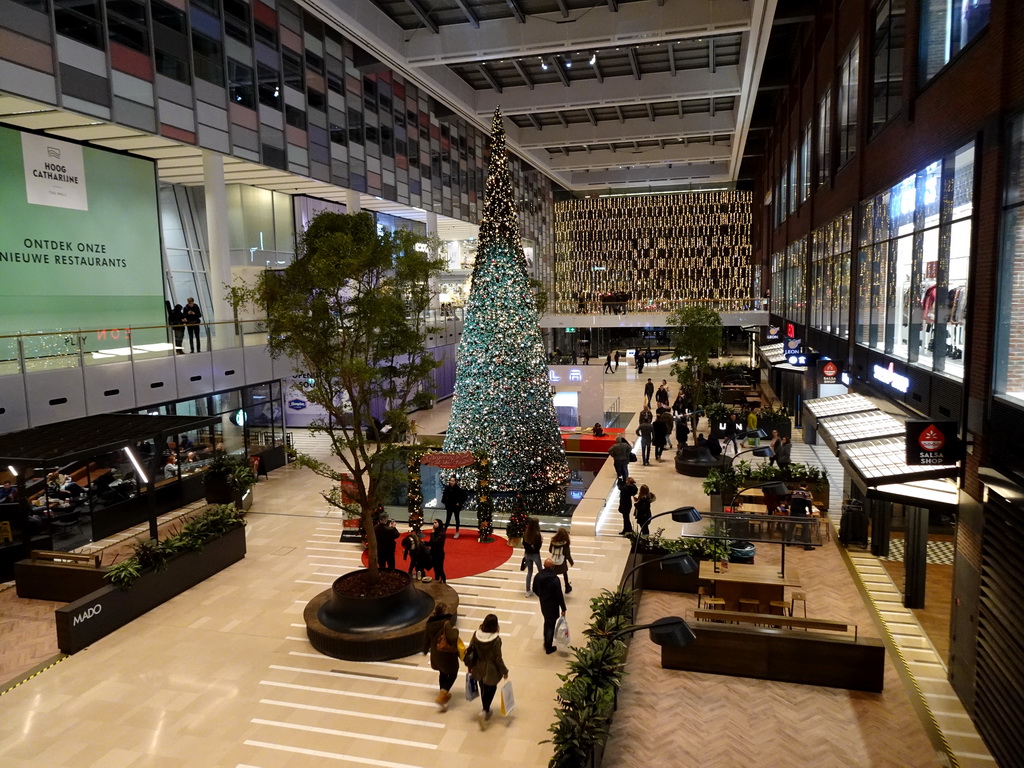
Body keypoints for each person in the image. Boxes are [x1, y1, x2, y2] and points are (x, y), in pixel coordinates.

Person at [466, 613, 508, 730]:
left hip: (478, 666)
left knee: (483, 687)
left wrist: (470, 665)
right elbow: (497, 658)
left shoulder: (476, 635)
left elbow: (470, 650)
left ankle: (486, 709)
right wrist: (504, 670)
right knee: (492, 688)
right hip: (491, 669)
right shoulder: (496, 640)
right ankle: (485, 710)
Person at [423, 602, 460, 712]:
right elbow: (453, 637)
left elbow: (426, 639)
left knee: (443, 673)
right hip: (447, 654)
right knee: (453, 673)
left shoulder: (429, 623)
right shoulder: (446, 623)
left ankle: (443, 694)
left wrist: (425, 650)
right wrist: (455, 630)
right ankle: (442, 695)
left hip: (436, 653)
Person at [533, 559, 567, 654]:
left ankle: (546, 642)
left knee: (546, 622)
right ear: (552, 567)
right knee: (551, 625)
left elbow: (534, 589)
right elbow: (559, 595)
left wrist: (541, 596)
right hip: (553, 605)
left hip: (544, 604)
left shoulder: (538, 576)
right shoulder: (555, 579)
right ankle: (549, 646)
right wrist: (563, 608)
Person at [787, 483, 814, 550]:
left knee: (791, 527)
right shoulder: (806, 493)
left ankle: (788, 542)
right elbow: (809, 503)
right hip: (801, 512)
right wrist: (810, 512)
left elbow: (789, 500)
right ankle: (807, 545)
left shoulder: (794, 492)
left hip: (793, 512)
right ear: (807, 486)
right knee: (805, 528)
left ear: (799, 486)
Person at [548, 528, 574, 592]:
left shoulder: (553, 541)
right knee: (565, 573)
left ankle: (553, 587)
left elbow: (550, 550)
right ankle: (567, 587)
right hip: (562, 562)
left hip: (554, 561)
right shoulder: (565, 543)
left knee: (553, 574)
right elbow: (567, 554)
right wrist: (571, 562)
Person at [522, 517, 543, 596]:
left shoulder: (526, 533)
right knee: (540, 571)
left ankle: (527, 590)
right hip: (536, 555)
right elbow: (538, 547)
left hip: (527, 554)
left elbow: (523, 544)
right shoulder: (537, 534)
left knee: (529, 572)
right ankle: (541, 589)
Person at [428, 519, 448, 583]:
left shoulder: (441, 534)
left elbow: (435, 542)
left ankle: (444, 582)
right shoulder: (435, 533)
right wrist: (422, 543)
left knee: (440, 570)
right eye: (433, 523)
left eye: (435, 523)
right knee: (436, 570)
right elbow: (431, 543)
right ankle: (437, 582)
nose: (434, 524)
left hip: (439, 554)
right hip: (434, 554)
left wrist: (432, 534)